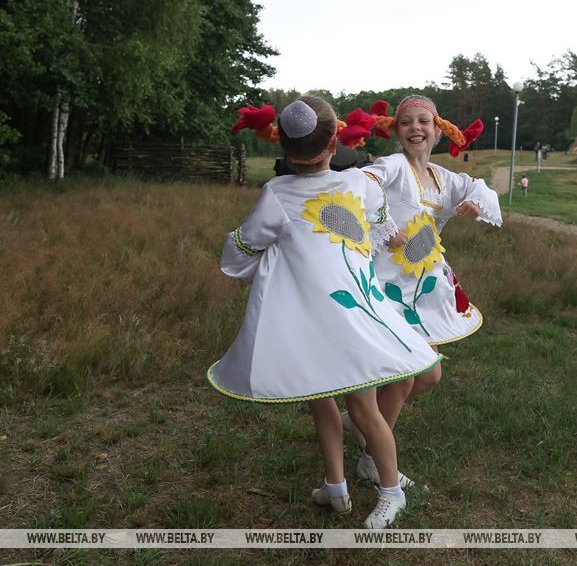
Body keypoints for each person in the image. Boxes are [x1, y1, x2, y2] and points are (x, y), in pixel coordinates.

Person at [211, 96, 442, 529]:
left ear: (286, 149)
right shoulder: (357, 183)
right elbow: (381, 227)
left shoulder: (276, 194)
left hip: (322, 316)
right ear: (336, 142)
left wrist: (271, 260)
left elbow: (240, 252)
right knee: (334, 399)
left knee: (352, 405)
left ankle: (390, 492)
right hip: (353, 307)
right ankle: (335, 487)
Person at [341, 95, 502, 485]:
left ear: (437, 130)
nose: (416, 128)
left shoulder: (443, 178)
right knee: (406, 376)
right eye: (407, 122)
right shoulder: (394, 166)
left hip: (422, 287)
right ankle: (372, 456)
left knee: (428, 376)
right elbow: (361, 183)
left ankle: (362, 420)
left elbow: (480, 187)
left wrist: (475, 203)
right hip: (385, 284)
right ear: (396, 131)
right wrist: (384, 227)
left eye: (423, 121)